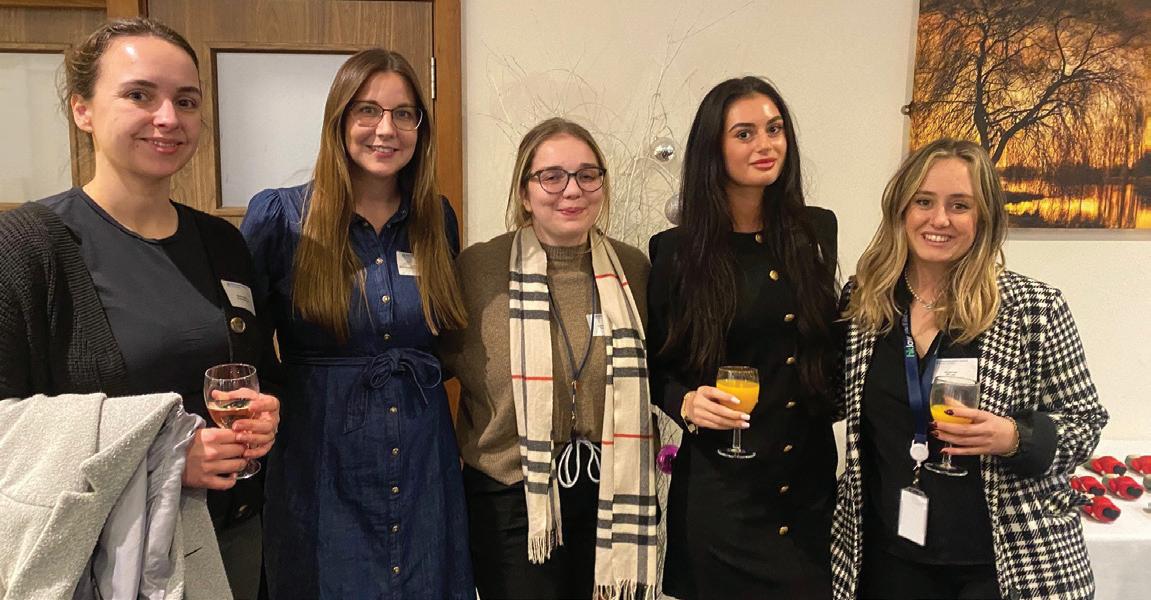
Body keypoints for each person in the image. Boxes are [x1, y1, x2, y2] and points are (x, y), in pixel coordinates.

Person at [0, 17, 280, 599]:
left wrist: (266, 414)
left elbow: (255, 371)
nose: (168, 118)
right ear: (82, 109)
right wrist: (165, 455)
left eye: (186, 101)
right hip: (105, 557)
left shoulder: (222, 243)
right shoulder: (28, 246)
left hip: (232, 538)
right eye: (139, 95)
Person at [830, 138, 1107, 600]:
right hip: (888, 559)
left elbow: (1086, 424)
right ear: (901, 209)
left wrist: (1015, 437)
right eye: (924, 201)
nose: (939, 219)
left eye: (959, 205)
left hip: (1003, 565)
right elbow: (829, 399)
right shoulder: (866, 301)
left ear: (984, 218)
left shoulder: (1033, 309)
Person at [241, 48, 473, 599]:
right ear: (339, 120)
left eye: (403, 113)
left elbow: (446, 337)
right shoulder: (280, 217)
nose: (385, 129)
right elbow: (243, 346)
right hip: (320, 452)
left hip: (422, 453)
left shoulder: (435, 218)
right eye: (367, 110)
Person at [439, 117, 659, 600]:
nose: (572, 190)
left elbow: (664, 371)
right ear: (524, 192)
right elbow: (433, 365)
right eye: (552, 176)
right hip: (511, 498)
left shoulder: (635, 270)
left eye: (587, 175)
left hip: (612, 493)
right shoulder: (477, 271)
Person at [647, 77, 840, 599]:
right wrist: (684, 402)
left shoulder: (816, 231)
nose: (765, 144)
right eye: (745, 133)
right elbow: (653, 364)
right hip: (724, 494)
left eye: (774, 129)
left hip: (807, 490)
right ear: (713, 148)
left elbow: (831, 340)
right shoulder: (676, 251)